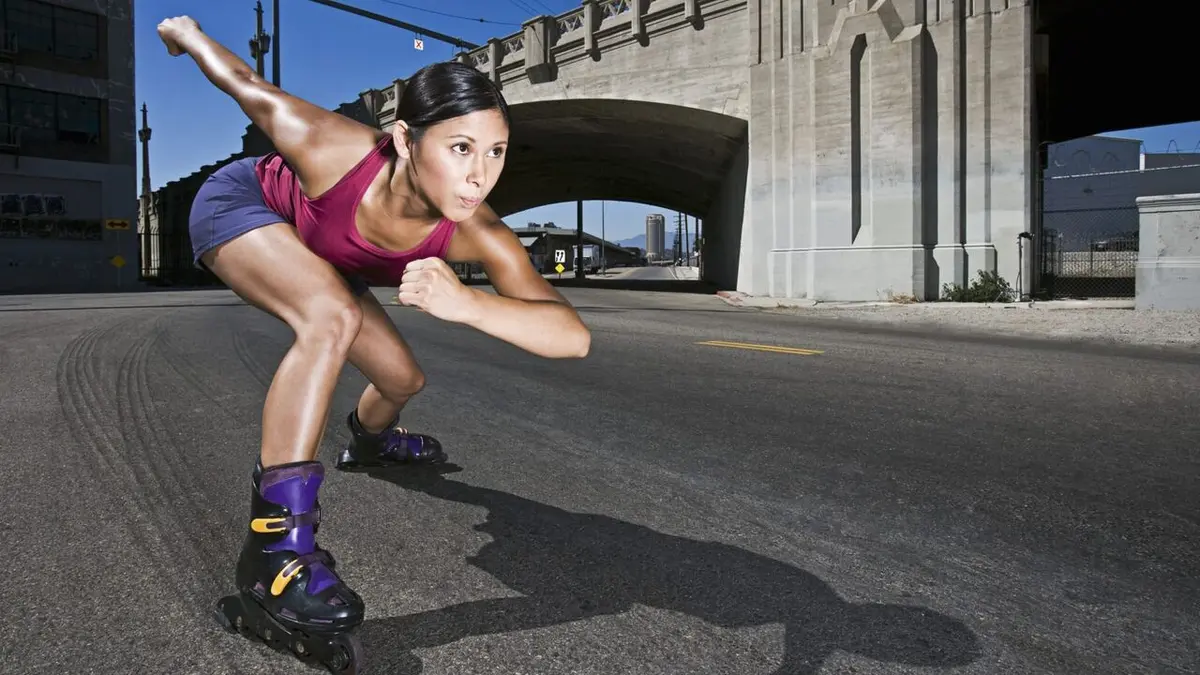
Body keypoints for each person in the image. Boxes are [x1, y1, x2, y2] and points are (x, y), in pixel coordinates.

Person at [156, 15, 590, 655]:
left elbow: (570, 337)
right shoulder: (330, 146)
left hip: (329, 263)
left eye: (496, 151)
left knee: (403, 378)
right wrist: (188, 35)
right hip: (244, 207)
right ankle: (277, 554)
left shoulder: (479, 231)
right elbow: (244, 81)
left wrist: (469, 303)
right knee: (331, 317)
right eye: (460, 148)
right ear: (405, 141)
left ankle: (372, 442)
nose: (480, 176)